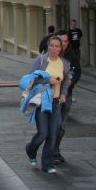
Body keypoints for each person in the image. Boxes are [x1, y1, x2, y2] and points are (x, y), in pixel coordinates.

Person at [25, 36, 71, 174]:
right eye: (52, 46)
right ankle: (30, 149)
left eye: (57, 46)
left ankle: (47, 164)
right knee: (43, 133)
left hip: (56, 103)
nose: (54, 49)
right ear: (48, 46)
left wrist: (63, 93)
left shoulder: (64, 63)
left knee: (53, 134)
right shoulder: (41, 60)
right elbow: (30, 79)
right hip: (42, 102)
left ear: (61, 48)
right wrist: (47, 80)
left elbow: (66, 80)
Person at [54, 31, 81, 165]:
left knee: (61, 125)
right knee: (56, 124)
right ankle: (53, 151)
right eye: (61, 41)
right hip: (53, 96)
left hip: (67, 95)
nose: (63, 44)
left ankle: (55, 150)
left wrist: (71, 82)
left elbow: (77, 72)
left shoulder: (71, 56)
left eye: (65, 41)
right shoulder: (50, 55)